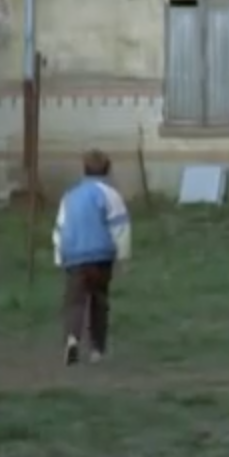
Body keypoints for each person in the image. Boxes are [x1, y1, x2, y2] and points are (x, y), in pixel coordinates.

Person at [52, 149, 131, 366]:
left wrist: (59, 256)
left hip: (74, 256)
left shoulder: (70, 196)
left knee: (74, 302)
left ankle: (72, 338)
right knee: (99, 300)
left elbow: (60, 228)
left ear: (84, 170)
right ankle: (97, 349)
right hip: (100, 257)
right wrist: (123, 257)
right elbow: (120, 227)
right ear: (108, 170)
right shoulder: (110, 194)